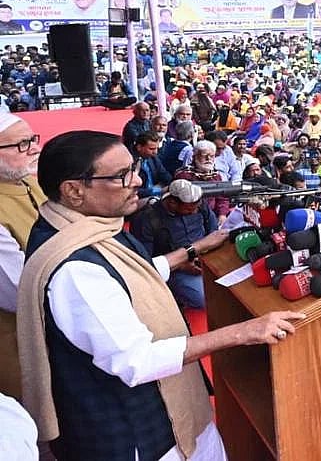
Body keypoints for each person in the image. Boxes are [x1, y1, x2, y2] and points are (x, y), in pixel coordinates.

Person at [18, 130, 304, 460]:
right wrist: (245, 331)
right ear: (73, 191)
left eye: (135, 168)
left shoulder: (80, 228)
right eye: (122, 176)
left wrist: (191, 250)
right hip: (138, 437)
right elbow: (136, 360)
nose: (138, 181)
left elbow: (126, 277)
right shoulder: (75, 270)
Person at [0, 113, 45, 399]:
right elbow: (20, 294)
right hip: (22, 346)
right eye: (22, 144)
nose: (35, 148)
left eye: (33, 139)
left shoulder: (27, 182)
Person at [129, 179, 226, 309]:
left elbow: (212, 231)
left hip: (206, 257)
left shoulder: (199, 206)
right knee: (206, 299)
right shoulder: (146, 219)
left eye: (196, 207)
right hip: (176, 268)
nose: (194, 212)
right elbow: (146, 262)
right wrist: (181, 265)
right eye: (189, 209)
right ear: (173, 202)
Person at [133, 131, 172, 198]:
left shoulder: (153, 157)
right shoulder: (130, 162)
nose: (155, 152)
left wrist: (173, 184)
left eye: (157, 148)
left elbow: (164, 174)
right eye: (151, 149)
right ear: (139, 147)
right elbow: (132, 190)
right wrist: (157, 190)